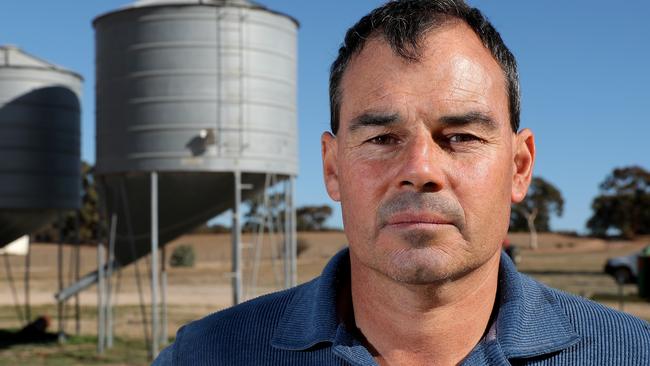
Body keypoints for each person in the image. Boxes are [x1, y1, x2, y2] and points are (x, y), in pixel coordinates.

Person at [154, 1, 650, 365]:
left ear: (519, 167)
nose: (421, 168)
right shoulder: (208, 354)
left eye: (459, 136)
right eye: (383, 138)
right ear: (332, 167)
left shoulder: (630, 355)